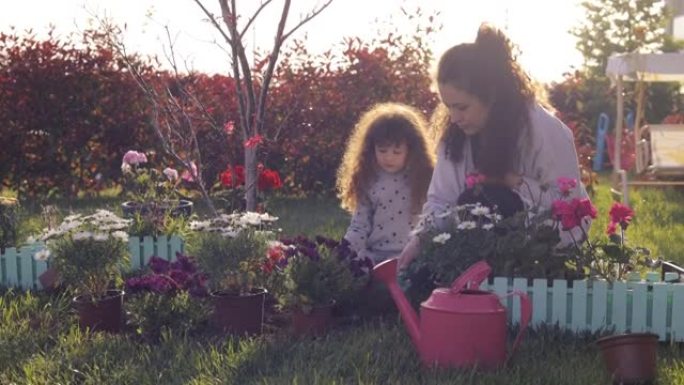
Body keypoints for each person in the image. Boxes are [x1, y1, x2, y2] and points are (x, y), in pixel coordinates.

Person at [397, 23, 590, 269]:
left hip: (548, 242)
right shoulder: (456, 136)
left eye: (462, 107)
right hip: (483, 238)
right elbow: (441, 200)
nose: (454, 118)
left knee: (492, 201)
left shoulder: (542, 129)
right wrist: (420, 239)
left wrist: (513, 181)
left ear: (491, 96)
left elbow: (568, 205)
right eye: (449, 107)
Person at [337, 102, 435, 264]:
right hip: (374, 255)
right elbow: (360, 225)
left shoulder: (422, 178)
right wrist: (343, 252)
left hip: (410, 255)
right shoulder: (368, 178)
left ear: (411, 150)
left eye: (397, 152)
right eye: (382, 150)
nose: (389, 157)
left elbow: (432, 220)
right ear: (370, 148)